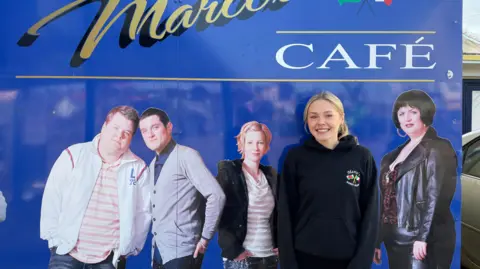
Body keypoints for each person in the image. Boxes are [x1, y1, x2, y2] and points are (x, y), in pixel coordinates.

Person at [40, 105, 151, 269]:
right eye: (115, 128)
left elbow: (143, 213)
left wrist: (128, 248)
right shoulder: (74, 155)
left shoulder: (139, 169)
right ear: (104, 126)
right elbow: (52, 197)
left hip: (108, 260)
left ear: (131, 138)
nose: (119, 135)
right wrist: (54, 240)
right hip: (66, 254)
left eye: (126, 133)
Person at [277, 91, 379, 269]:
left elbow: (371, 215)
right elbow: (285, 213)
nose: (321, 122)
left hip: (348, 261)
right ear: (307, 122)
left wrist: (360, 263)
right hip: (305, 259)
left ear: (341, 118)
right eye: (313, 116)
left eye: (328, 115)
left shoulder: (361, 157)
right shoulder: (295, 158)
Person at [373, 90, 457, 269]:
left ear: (424, 113)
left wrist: (422, 237)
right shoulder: (391, 156)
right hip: (393, 238)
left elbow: (437, 197)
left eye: (413, 111)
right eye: (401, 113)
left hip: (422, 239)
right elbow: (385, 200)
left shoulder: (438, 148)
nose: (407, 118)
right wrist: (377, 240)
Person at [138, 107, 226, 269]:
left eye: (155, 127)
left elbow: (216, 195)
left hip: (183, 253)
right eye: (144, 131)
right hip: (159, 252)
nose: (150, 134)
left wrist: (205, 238)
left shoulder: (187, 156)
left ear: (169, 127)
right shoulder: (152, 166)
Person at [216, 121, 279, 269]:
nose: (255, 148)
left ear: (266, 146)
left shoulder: (271, 176)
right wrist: (232, 249)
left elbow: (281, 214)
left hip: (269, 257)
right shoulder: (229, 173)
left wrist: (281, 242)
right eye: (250, 142)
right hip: (242, 260)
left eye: (260, 142)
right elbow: (216, 211)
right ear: (241, 144)